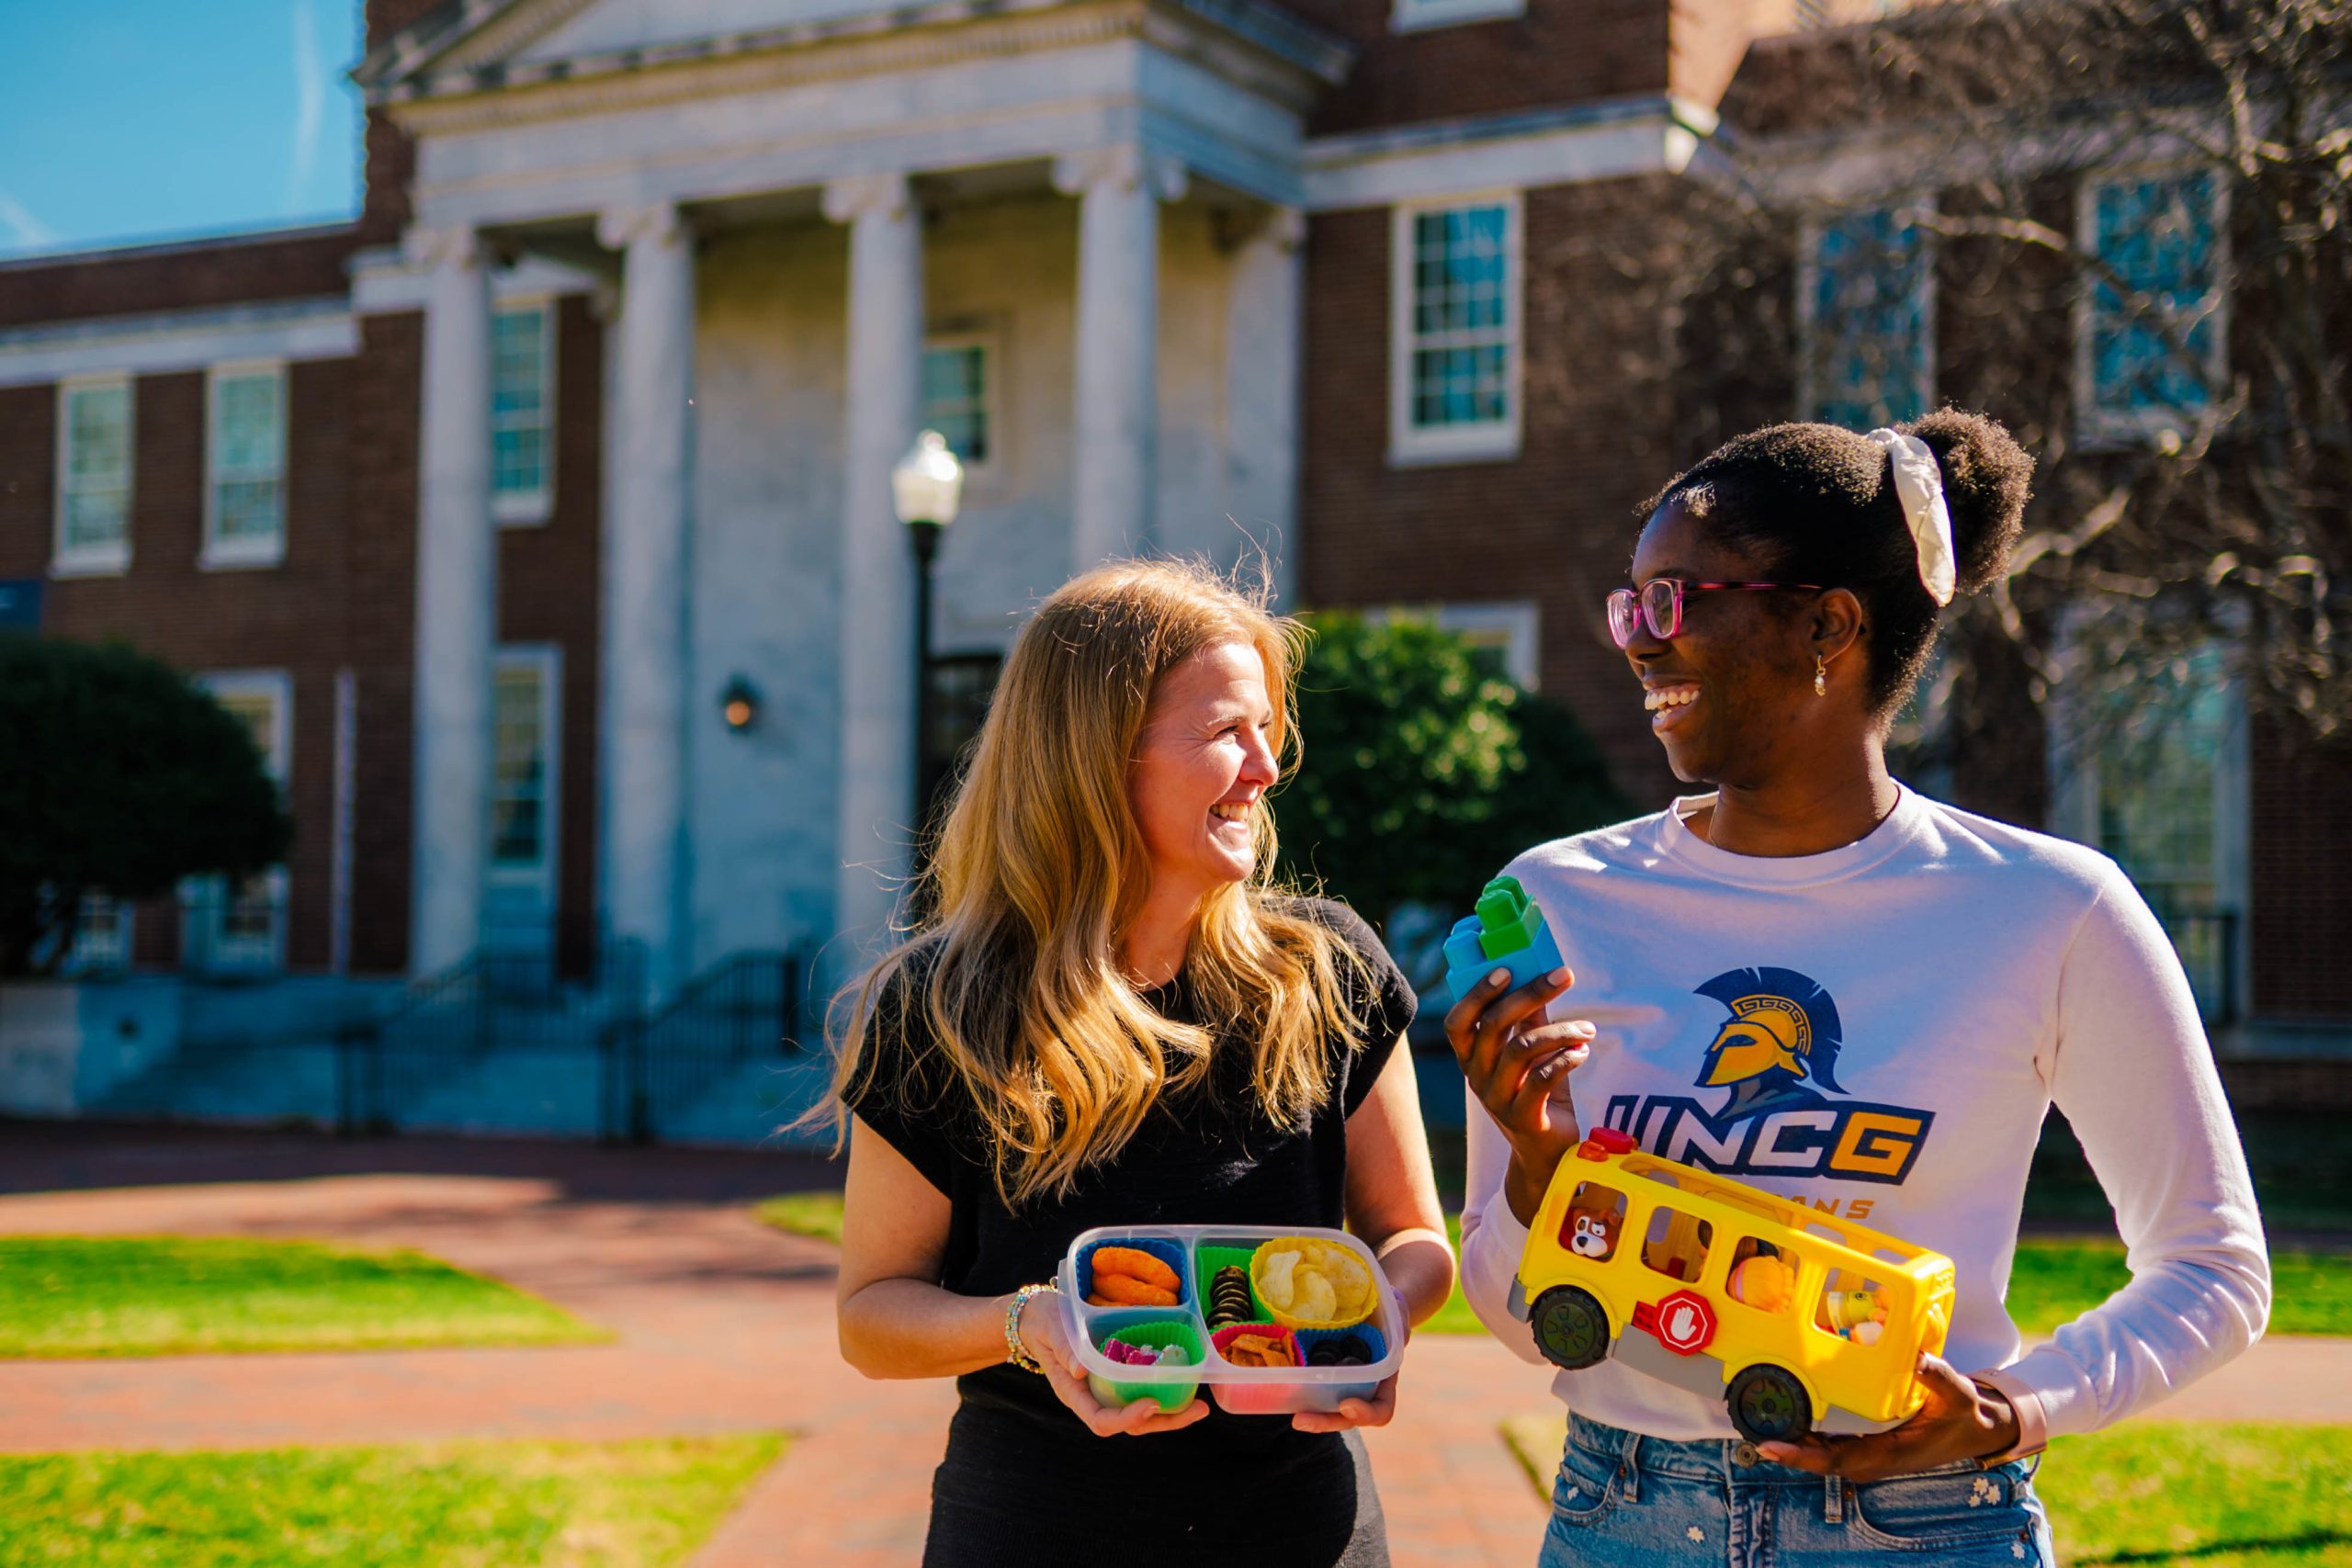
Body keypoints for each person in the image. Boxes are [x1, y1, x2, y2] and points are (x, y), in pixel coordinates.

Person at [1451, 411, 2270, 1566]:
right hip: (1622, 1515)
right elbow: (1526, 1327)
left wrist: (2012, 1408)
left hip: (1927, 1526)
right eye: (1629, 606)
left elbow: (2214, 1268)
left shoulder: (2048, 910)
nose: (1639, 642)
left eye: (1675, 601)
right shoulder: (1559, 903)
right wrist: (1541, 1181)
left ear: (1827, 623)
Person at [826, 559, 1455, 1567]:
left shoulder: (1332, 971)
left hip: (1303, 1535)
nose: (1265, 766)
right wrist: (1035, 1326)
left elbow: (1415, 1237)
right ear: (1095, 759)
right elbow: (872, 1317)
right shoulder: (941, 1007)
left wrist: (1377, 1322)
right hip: (1032, 1532)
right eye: (1224, 733)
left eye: (1266, 729)